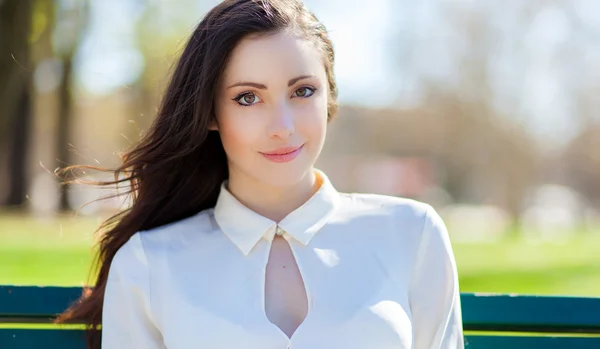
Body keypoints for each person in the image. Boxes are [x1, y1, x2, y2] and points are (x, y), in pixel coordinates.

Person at [57, 0, 464, 348]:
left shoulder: (413, 233)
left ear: (330, 96)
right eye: (248, 98)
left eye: (302, 91)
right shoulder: (149, 263)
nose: (282, 126)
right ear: (210, 112)